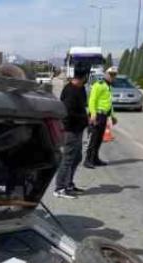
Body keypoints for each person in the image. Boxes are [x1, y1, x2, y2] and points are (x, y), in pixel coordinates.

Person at [53, 67, 90, 199]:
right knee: (67, 159)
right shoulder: (70, 91)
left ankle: (68, 184)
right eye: (86, 77)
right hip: (70, 130)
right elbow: (67, 114)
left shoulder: (80, 89)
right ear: (83, 77)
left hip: (78, 129)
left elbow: (82, 107)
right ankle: (59, 188)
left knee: (77, 158)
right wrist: (82, 119)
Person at [84, 67, 118, 169]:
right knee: (93, 139)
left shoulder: (109, 87)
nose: (112, 77)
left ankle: (95, 158)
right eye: (111, 74)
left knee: (99, 139)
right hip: (97, 115)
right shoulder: (99, 85)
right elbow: (92, 100)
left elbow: (109, 103)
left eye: (114, 75)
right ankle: (88, 160)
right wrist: (93, 113)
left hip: (104, 116)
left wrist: (112, 116)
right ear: (105, 74)